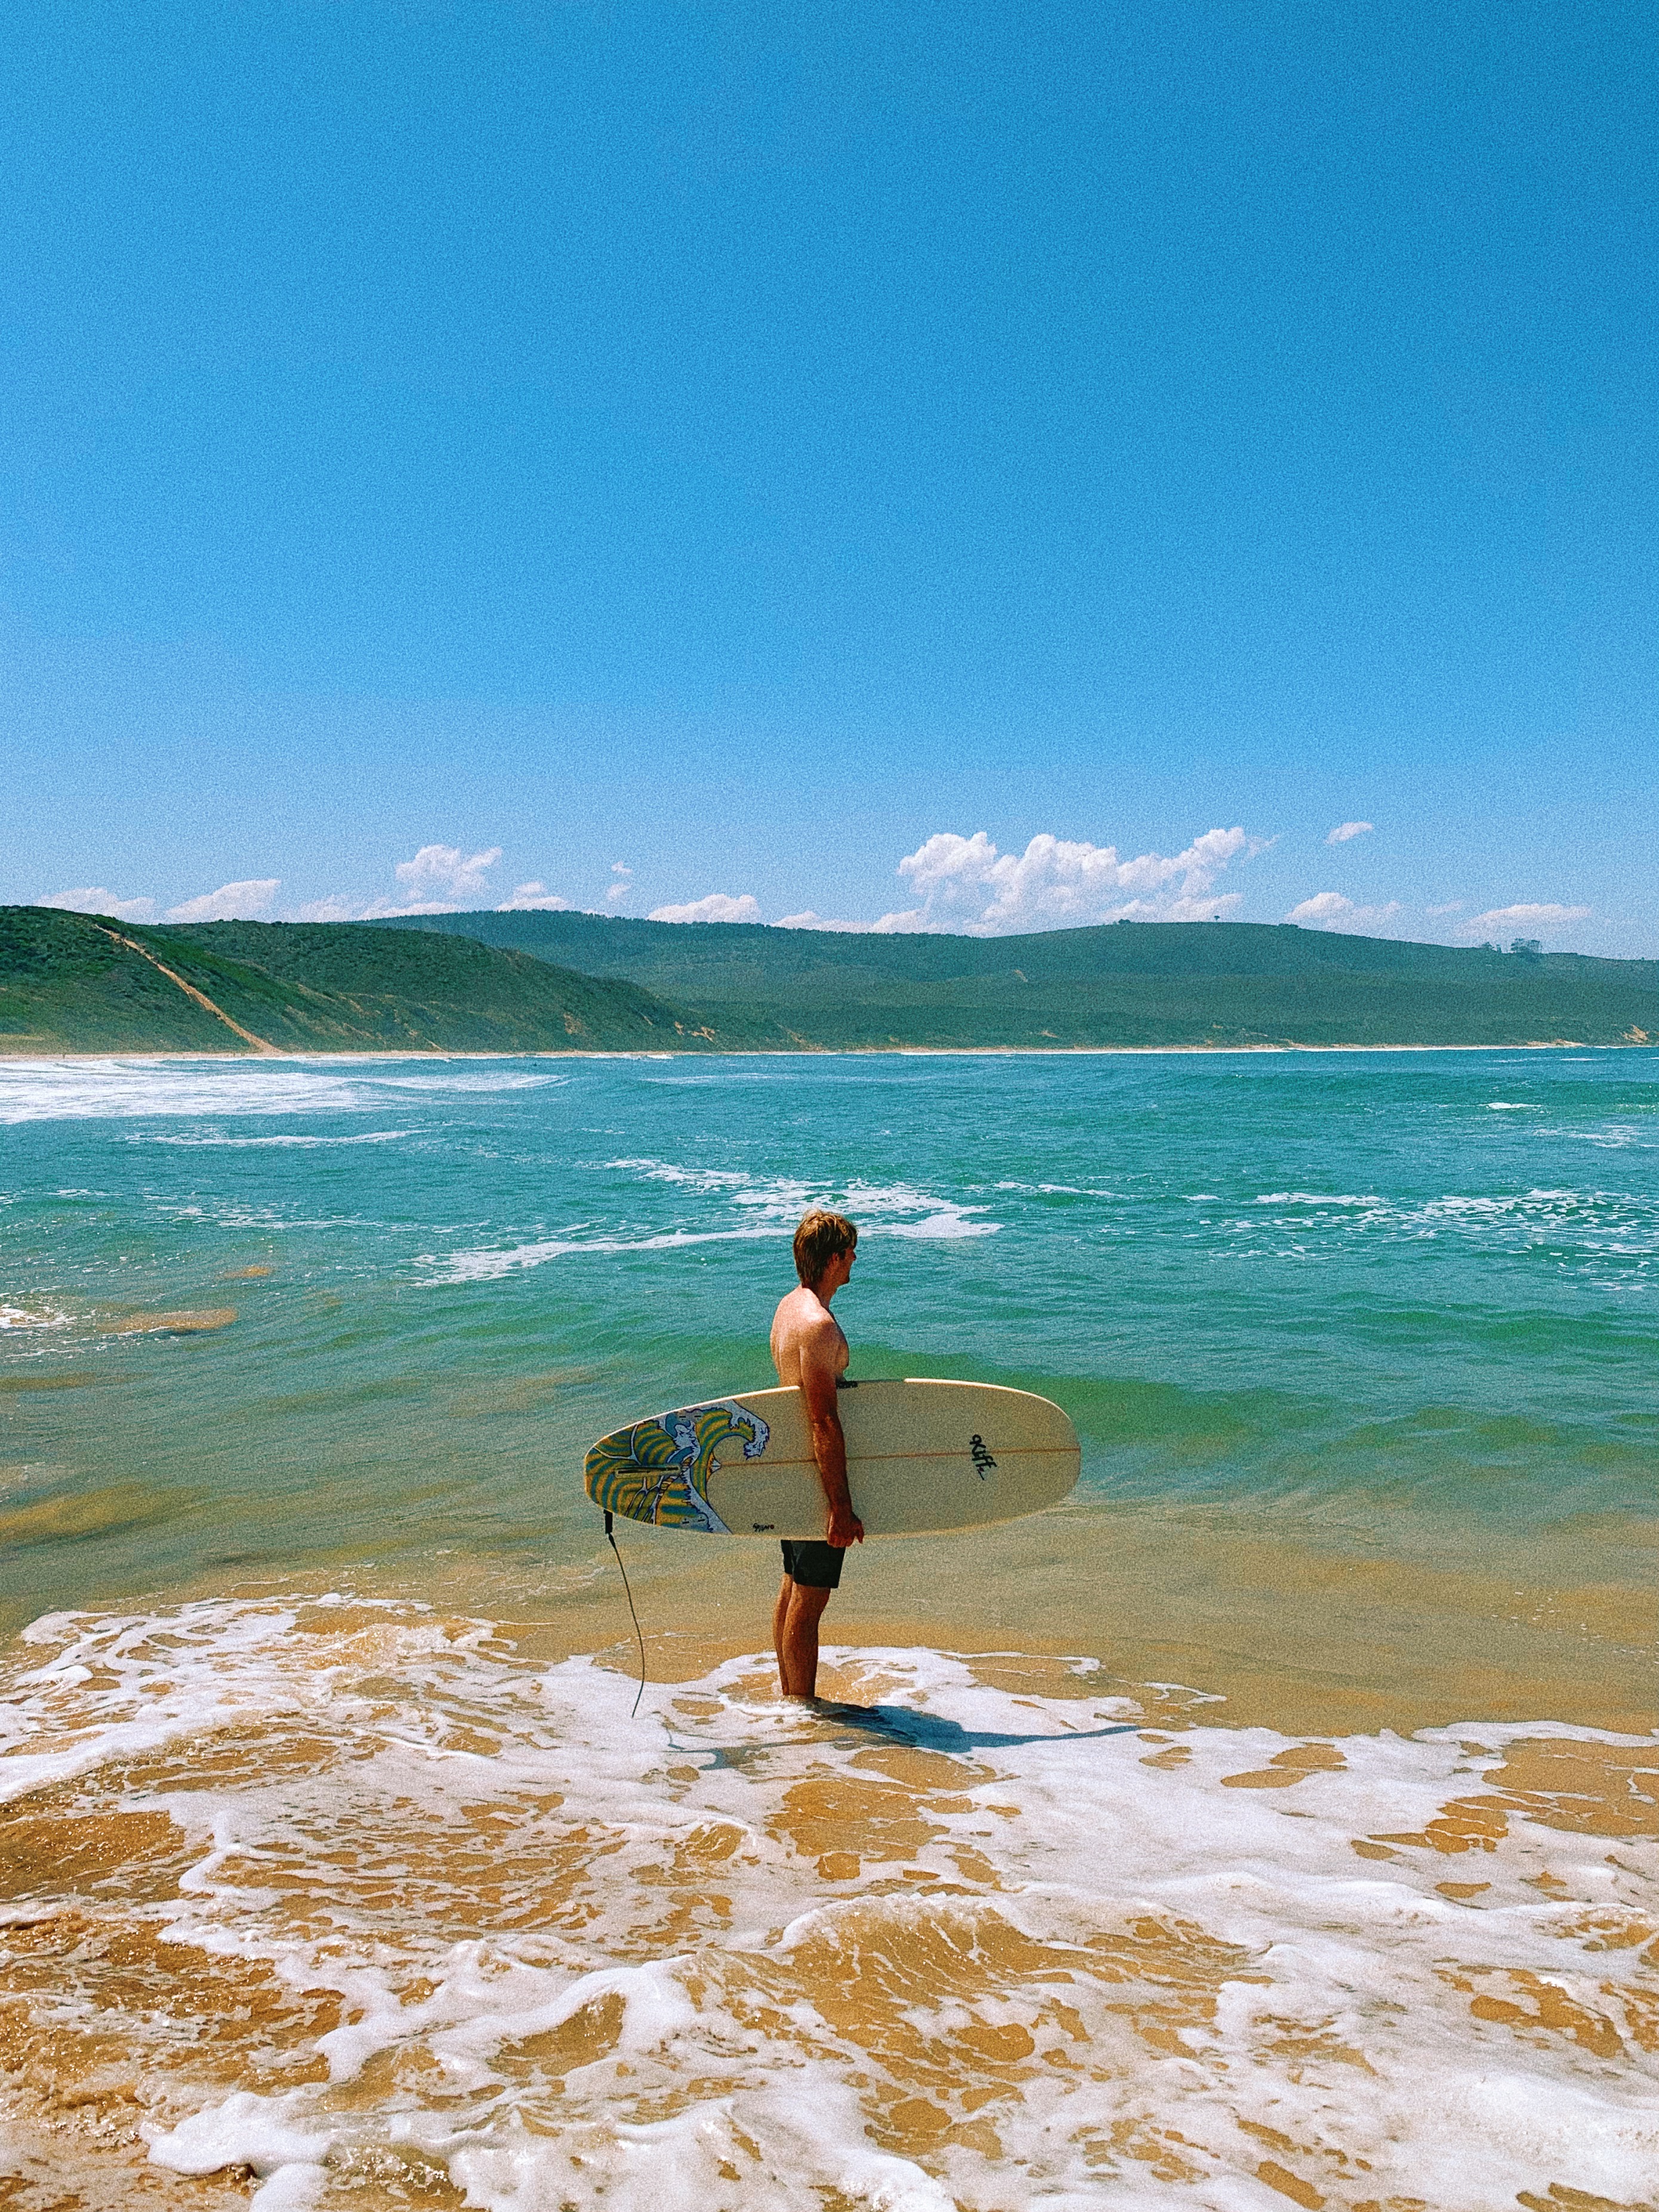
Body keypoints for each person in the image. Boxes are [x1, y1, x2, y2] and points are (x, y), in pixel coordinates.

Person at [769, 1208, 865, 1700]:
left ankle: (791, 1698)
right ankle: (802, 1708)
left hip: (793, 1465)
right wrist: (840, 1507)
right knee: (810, 1599)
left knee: (792, 1586)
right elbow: (823, 1420)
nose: (855, 1259)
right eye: (850, 1251)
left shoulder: (790, 1307)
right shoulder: (818, 1325)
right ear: (833, 1259)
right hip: (815, 1473)